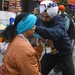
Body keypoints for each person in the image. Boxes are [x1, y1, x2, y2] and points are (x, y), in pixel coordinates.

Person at [35, 1, 75, 75]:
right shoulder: (39, 19)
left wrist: (36, 28)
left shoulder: (60, 21)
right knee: (38, 72)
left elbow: (55, 33)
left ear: (53, 15)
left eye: (46, 17)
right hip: (50, 53)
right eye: (42, 16)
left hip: (64, 54)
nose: (43, 19)